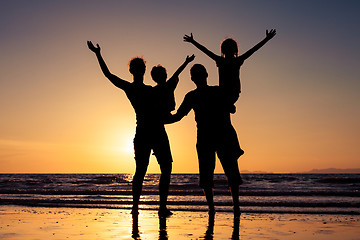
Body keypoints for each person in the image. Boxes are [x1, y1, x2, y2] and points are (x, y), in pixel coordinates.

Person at [87, 41, 176, 217]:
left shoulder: (140, 89)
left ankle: (140, 207)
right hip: (151, 132)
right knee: (158, 169)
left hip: (147, 132)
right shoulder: (139, 89)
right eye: (140, 67)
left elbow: (108, 75)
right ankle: (155, 208)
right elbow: (108, 75)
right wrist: (97, 54)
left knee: (148, 170)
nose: (140, 69)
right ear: (140, 70)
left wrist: (98, 53)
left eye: (140, 66)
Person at [165, 64, 243, 217]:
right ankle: (234, 207)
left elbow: (177, 117)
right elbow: (232, 108)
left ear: (192, 78)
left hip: (210, 137)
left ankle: (213, 209)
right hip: (219, 136)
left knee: (210, 175)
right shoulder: (215, 91)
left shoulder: (194, 95)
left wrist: (160, 119)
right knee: (229, 173)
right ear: (206, 74)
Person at [183, 29, 276, 113]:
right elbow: (205, 50)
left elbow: (253, 50)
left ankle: (228, 106)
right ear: (224, 50)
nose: (229, 50)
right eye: (227, 48)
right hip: (223, 93)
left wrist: (266, 39)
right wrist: (193, 41)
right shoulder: (223, 60)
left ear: (234, 50)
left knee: (219, 101)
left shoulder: (234, 61)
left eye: (230, 48)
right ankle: (228, 107)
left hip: (232, 93)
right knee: (212, 98)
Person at [151, 54, 195, 120]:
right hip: (160, 116)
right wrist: (186, 62)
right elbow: (177, 73)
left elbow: (177, 73)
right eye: (162, 74)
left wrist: (186, 62)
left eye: (164, 74)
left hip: (165, 115)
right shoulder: (164, 87)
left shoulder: (168, 85)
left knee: (178, 117)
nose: (164, 75)